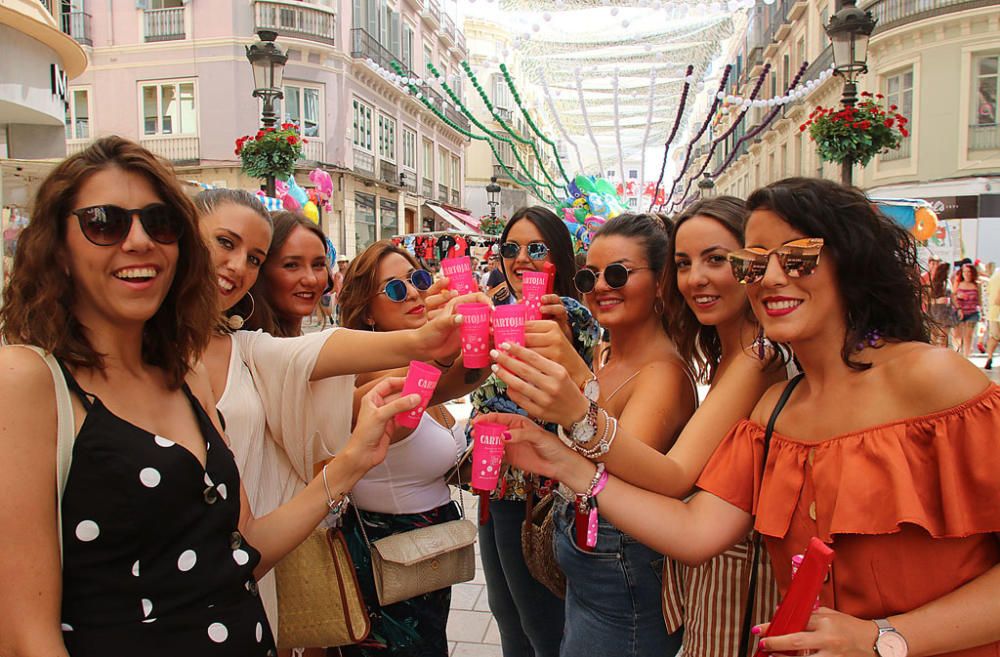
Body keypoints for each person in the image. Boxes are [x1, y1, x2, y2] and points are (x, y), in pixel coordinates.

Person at [484, 177, 1000, 657]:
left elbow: (675, 481)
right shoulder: (775, 411)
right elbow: (693, 531)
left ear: (852, 261)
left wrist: (883, 640)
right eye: (754, 263)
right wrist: (564, 462)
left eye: (797, 257)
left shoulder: (933, 380)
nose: (771, 277)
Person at [0, 137, 422, 656]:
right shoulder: (30, 380)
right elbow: (25, 636)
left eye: (160, 222)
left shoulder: (184, 377)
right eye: (105, 222)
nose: (138, 240)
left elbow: (242, 553)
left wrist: (354, 460)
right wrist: (423, 342)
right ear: (58, 249)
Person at [193, 190, 466, 638]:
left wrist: (449, 346)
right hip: (298, 551)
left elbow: (319, 352)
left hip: (284, 553)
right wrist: (428, 352)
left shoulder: (247, 347)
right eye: (225, 243)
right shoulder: (248, 349)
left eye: (255, 257)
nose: (239, 265)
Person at [490, 212, 696, 656]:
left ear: (661, 282)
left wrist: (571, 366)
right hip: (587, 575)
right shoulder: (604, 352)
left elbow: (614, 472)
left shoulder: (664, 375)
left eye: (619, 272)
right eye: (591, 275)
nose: (602, 286)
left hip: (622, 588)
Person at [473, 206, 600, 657]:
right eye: (511, 248)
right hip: (493, 485)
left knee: (540, 624)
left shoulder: (574, 317)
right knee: (505, 612)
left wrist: (565, 340)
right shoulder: (492, 312)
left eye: (536, 248)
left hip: (539, 491)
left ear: (559, 257)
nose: (520, 258)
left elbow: (589, 398)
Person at [336, 241, 470, 657]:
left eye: (418, 279)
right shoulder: (374, 373)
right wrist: (451, 338)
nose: (413, 292)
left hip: (430, 555)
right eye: (395, 289)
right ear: (368, 312)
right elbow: (417, 389)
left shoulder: (421, 356)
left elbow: (469, 371)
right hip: (392, 558)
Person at [953, 262, 981, 358]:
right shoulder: (958, 283)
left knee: (968, 336)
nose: (967, 274)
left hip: (972, 312)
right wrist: (959, 306)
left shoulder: (977, 285)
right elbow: (953, 296)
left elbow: (980, 300)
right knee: (957, 336)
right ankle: (957, 353)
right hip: (960, 312)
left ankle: (966, 357)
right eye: (965, 272)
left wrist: (982, 314)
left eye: (969, 272)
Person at [983, 264, 1000, 369]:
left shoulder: (994, 276)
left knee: (994, 337)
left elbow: (989, 294)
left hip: (993, 313)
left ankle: (989, 357)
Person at [334, 254, 348, 325]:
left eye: (343, 262)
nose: (341, 264)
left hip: (349, 297)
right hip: (340, 298)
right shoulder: (337, 275)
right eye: (339, 262)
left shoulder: (350, 273)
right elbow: (335, 287)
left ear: (347, 263)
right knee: (340, 315)